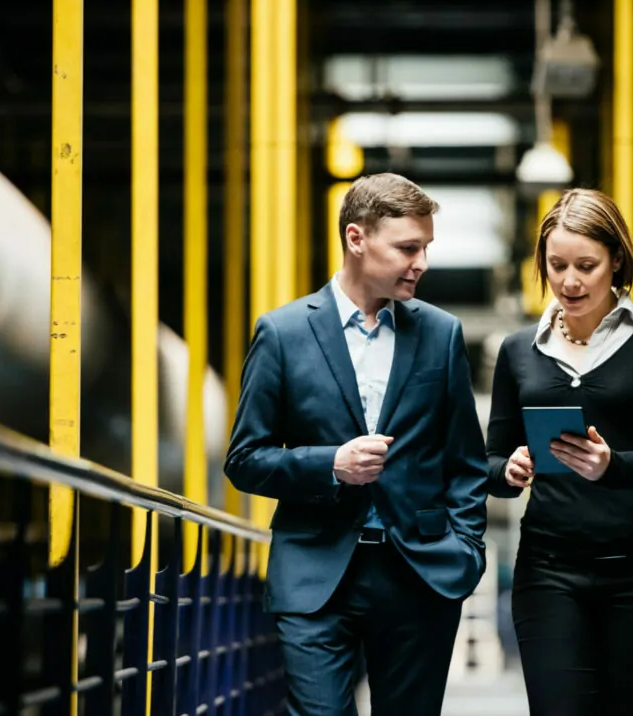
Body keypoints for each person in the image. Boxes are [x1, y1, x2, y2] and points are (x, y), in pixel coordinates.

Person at [225, 173, 489, 716]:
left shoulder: (441, 335)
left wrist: (466, 551)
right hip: (314, 575)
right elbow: (245, 459)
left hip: (420, 574)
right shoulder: (283, 333)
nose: (421, 263)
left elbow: (464, 461)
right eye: (408, 248)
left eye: (426, 248)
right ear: (356, 238)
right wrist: (331, 465)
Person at [486, 187, 633, 715]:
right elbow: (488, 463)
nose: (569, 280)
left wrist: (614, 465)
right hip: (549, 572)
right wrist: (510, 469)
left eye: (586, 264)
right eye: (557, 265)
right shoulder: (519, 351)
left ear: (617, 262)